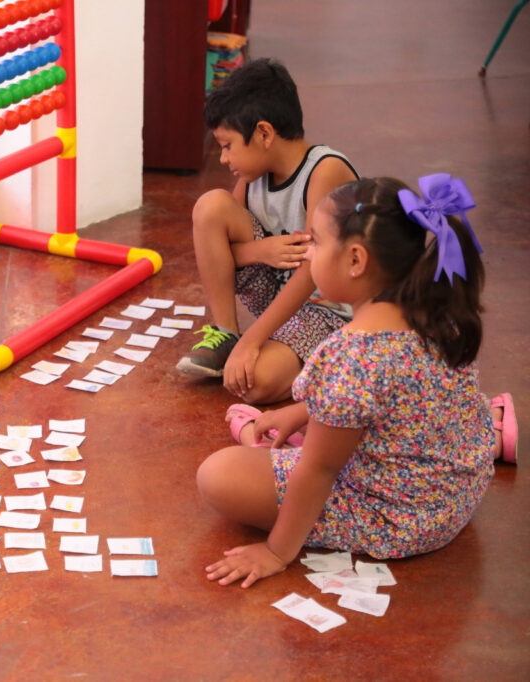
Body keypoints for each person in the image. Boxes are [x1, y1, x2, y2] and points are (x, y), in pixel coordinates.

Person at [197, 174, 518, 588]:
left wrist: (277, 552)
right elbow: (401, 401)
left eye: (315, 241)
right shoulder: (437, 312)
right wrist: (306, 410)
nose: (308, 254)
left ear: (355, 260)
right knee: (318, 430)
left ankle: (301, 440)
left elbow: (319, 469)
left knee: (218, 475)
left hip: (397, 517)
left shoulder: (351, 355)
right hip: (453, 499)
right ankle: (493, 427)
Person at [177, 58, 359, 405]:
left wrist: (254, 341)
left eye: (227, 145)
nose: (223, 159)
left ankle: (338, 361)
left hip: (326, 311)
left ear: (263, 133)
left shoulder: (325, 170)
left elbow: (310, 272)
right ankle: (228, 334)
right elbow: (222, 245)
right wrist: (261, 251)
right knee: (210, 206)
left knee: (251, 384)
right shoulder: (252, 178)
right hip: (280, 301)